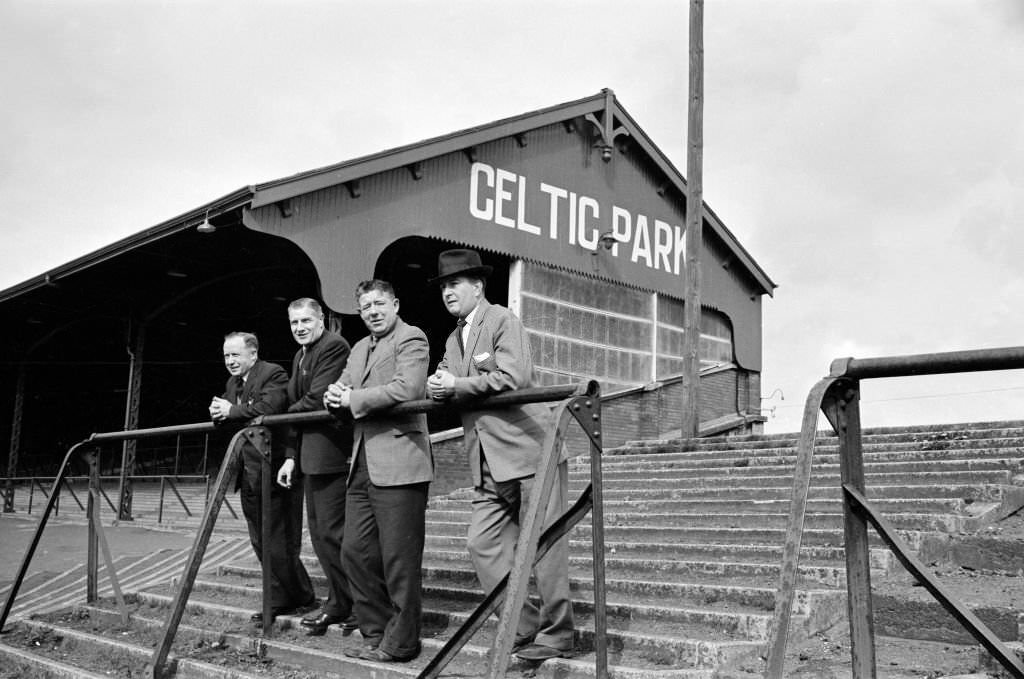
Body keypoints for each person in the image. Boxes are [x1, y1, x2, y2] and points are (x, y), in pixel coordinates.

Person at [426, 249, 575, 661]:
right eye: (443, 286)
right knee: (483, 542)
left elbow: (514, 376)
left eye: (455, 284)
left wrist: (456, 384)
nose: (447, 292)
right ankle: (522, 624)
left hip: (529, 451)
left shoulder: (502, 320)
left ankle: (558, 632)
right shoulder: (454, 338)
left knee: (544, 544)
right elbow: (445, 379)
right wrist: (436, 387)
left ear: (478, 286)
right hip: (488, 460)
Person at [324, 279, 433, 662]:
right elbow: (345, 383)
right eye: (365, 306)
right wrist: (334, 394)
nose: (372, 311)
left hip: (402, 462)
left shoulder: (412, 338)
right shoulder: (358, 347)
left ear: (396, 303)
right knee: (354, 551)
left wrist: (352, 398)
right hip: (361, 463)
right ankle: (376, 631)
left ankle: (402, 642)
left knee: (399, 560)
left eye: (379, 303)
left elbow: (409, 388)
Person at [209, 331, 315, 625]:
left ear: (252, 354)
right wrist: (220, 414)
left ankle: (290, 597)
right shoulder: (234, 383)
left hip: (276, 468)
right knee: (259, 539)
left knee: (279, 537)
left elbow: (268, 409)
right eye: (226, 355)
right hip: (250, 472)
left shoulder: (272, 374)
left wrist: (231, 410)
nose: (230, 361)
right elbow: (239, 418)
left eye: (235, 355)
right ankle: (294, 594)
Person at [275, 298, 357, 636]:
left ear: (321, 320)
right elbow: (301, 403)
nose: (300, 328)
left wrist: (279, 411)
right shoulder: (300, 355)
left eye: (306, 321)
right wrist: (291, 455)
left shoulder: (334, 346)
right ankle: (341, 601)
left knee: (333, 534)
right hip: (310, 455)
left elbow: (318, 398)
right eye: (294, 323)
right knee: (322, 535)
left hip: (332, 454)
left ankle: (352, 603)